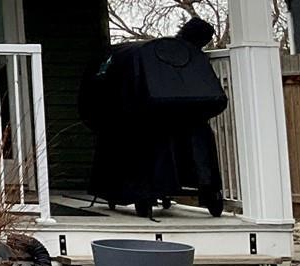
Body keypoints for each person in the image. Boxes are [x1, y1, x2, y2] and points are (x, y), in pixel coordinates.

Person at [79, 16, 228, 219]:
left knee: (178, 136)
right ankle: (204, 186)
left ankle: (152, 191)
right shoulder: (184, 56)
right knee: (190, 136)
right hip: (157, 118)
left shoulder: (155, 53)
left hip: (146, 117)